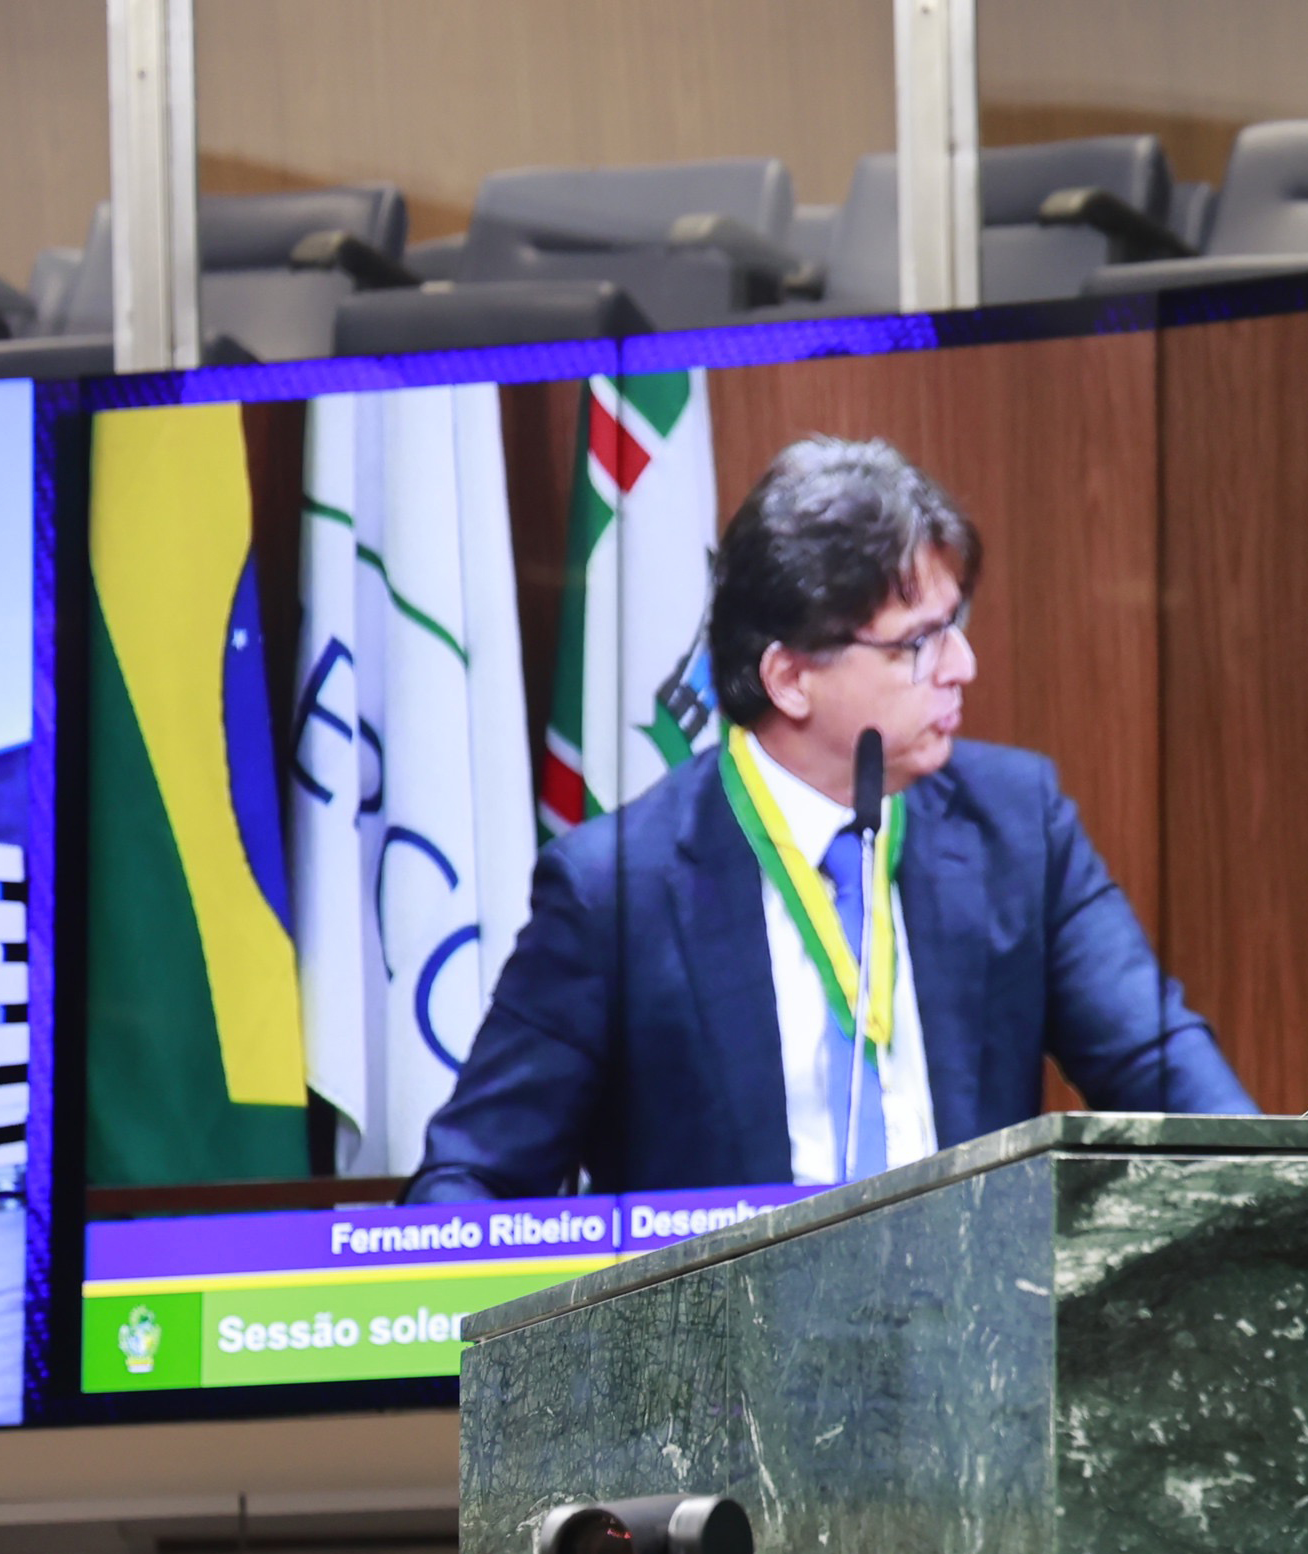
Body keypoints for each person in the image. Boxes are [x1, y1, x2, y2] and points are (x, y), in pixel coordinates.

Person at [409, 437, 1253, 1200]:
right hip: (736, 1324)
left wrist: (1279, 1191)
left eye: (954, 625)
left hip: (981, 1314)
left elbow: (1165, 1074)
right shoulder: (616, 892)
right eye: (918, 643)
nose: (962, 665)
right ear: (789, 679)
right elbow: (469, 1180)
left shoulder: (1017, 827)